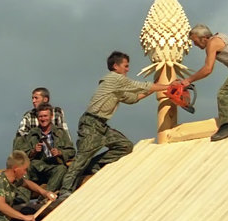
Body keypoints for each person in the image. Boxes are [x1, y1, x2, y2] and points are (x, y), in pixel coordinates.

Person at [59, 51, 164, 195]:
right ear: (116, 66)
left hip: (101, 125)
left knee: (124, 146)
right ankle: (65, 190)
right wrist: (167, 86)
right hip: (91, 123)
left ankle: (93, 164)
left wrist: (156, 88)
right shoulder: (115, 79)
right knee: (82, 158)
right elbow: (139, 85)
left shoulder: (118, 85)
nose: (128, 69)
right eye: (125, 66)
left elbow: (134, 98)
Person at [180, 25, 228, 141]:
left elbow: (207, 69)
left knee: (224, 94)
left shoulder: (212, 43)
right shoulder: (218, 38)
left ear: (204, 37)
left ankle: (227, 127)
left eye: (195, 41)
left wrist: (188, 80)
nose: (194, 45)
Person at [14, 104, 75, 192]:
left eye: (45, 116)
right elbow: (23, 155)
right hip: (36, 168)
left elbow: (71, 151)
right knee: (25, 170)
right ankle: (22, 198)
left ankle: (45, 197)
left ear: (51, 116)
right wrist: (33, 151)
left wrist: (60, 152)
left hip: (53, 166)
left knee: (62, 169)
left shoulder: (60, 132)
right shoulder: (32, 134)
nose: (43, 119)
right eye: (40, 116)